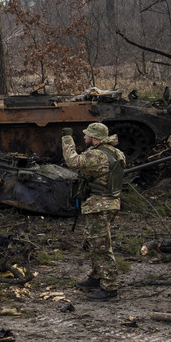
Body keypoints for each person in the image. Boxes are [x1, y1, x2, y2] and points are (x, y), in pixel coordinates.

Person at [62, 122, 125, 301]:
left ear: (95, 138)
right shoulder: (117, 153)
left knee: (101, 247)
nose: (84, 137)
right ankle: (97, 277)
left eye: (87, 135)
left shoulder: (97, 155)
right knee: (93, 241)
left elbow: (72, 162)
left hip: (99, 205)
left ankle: (110, 288)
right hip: (110, 203)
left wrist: (67, 138)